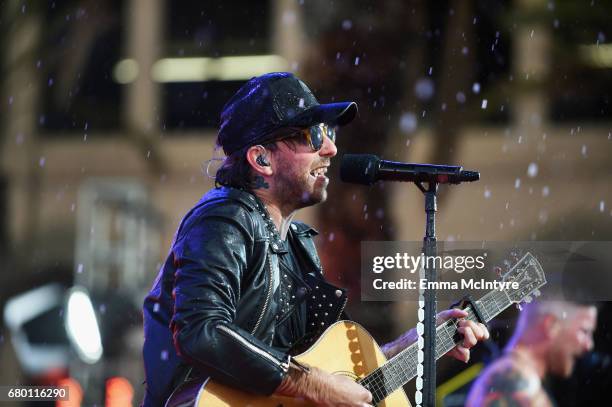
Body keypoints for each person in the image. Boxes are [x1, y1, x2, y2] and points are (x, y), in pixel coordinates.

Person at [142, 72, 489, 407]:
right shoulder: (224, 220)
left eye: (328, 132)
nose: (331, 148)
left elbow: (324, 372)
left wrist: (418, 343)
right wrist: (314, 383)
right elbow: (201, 330)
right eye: (312, 135)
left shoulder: (298, 246)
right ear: (261, 158)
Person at [466, 300, 597, 406]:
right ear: (552, 325)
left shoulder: (522, 379)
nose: (589, 345)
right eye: (584, 331)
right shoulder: (520, 383)